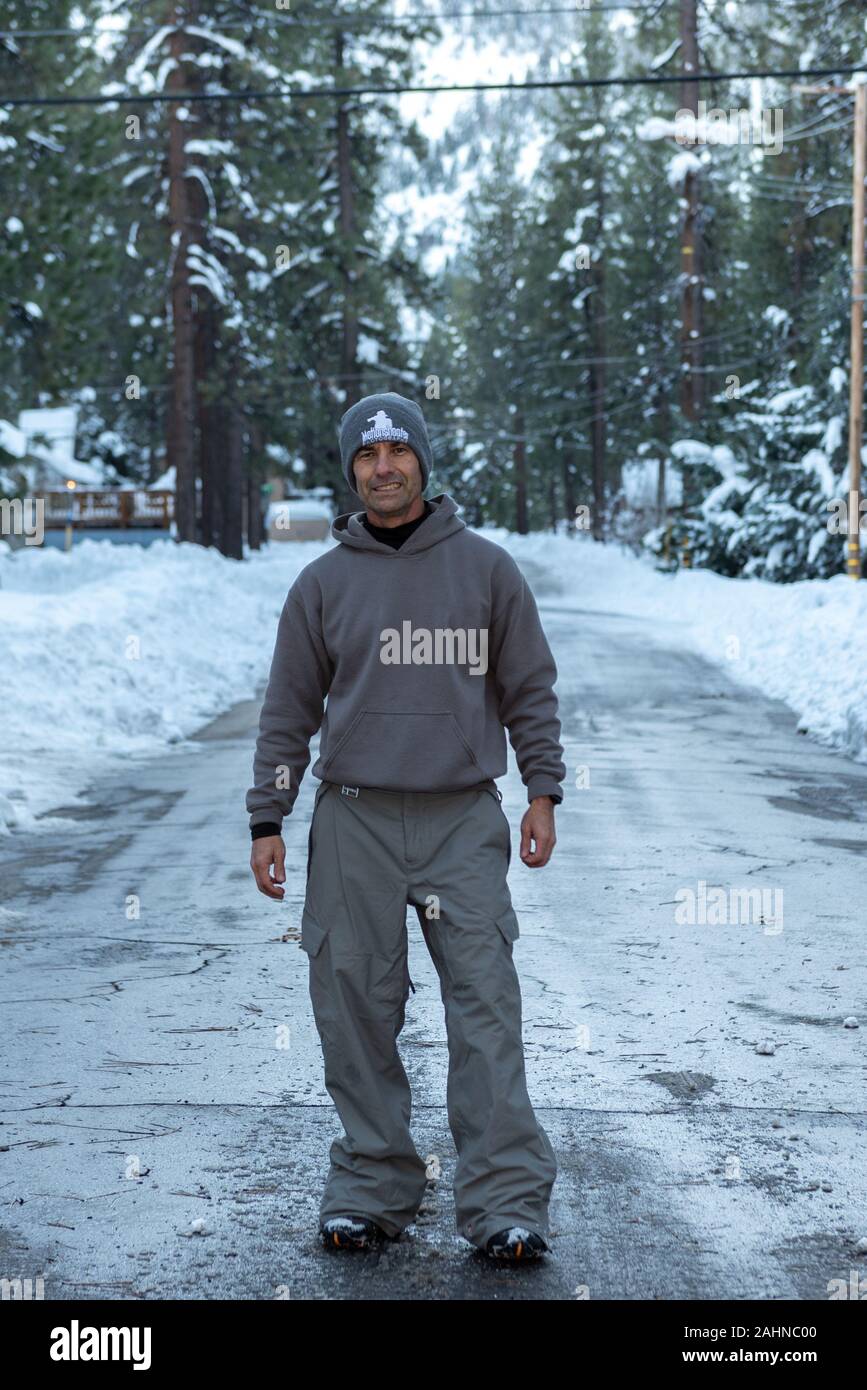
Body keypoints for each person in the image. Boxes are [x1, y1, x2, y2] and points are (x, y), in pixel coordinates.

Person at [247, 391, 566, 1262]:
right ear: (350, 472)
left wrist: (543, 788)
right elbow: (287, 710)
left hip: (461, 816)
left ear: (422, 462)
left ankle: (503, 1200)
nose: (382, 467)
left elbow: (529, 688)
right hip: (353, 821)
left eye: (397, 452)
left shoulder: (487, 571)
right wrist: (267, 813)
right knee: (351, 1005)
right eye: (365, 455)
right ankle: (370, 1186)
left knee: (485, 1004)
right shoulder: (321, 585)